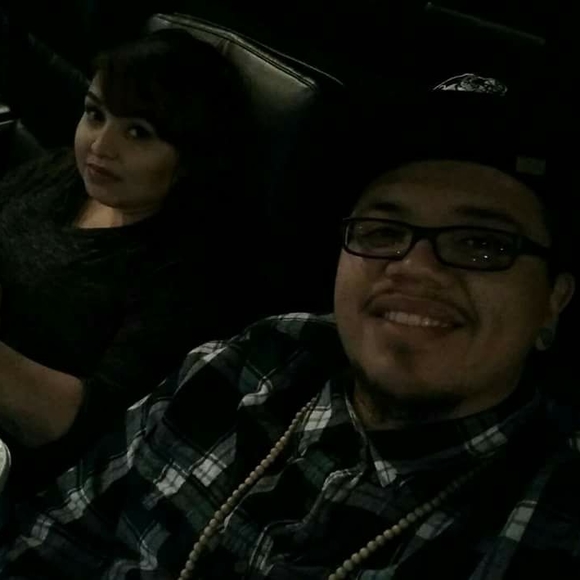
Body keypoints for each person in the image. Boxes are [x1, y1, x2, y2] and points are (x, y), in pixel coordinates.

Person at [1, 81, 577, 579]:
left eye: (482, 244)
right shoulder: (256, 362)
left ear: (553, 302)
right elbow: (56, 532)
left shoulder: (549, 517)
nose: (415, 267)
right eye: (382, 231)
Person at [0, 27, 253, 494]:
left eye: (138, 132)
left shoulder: (186, 274)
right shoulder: (61, 173)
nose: (100, 146)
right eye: (95, 114)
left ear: (193, 155)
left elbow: (82, 425)